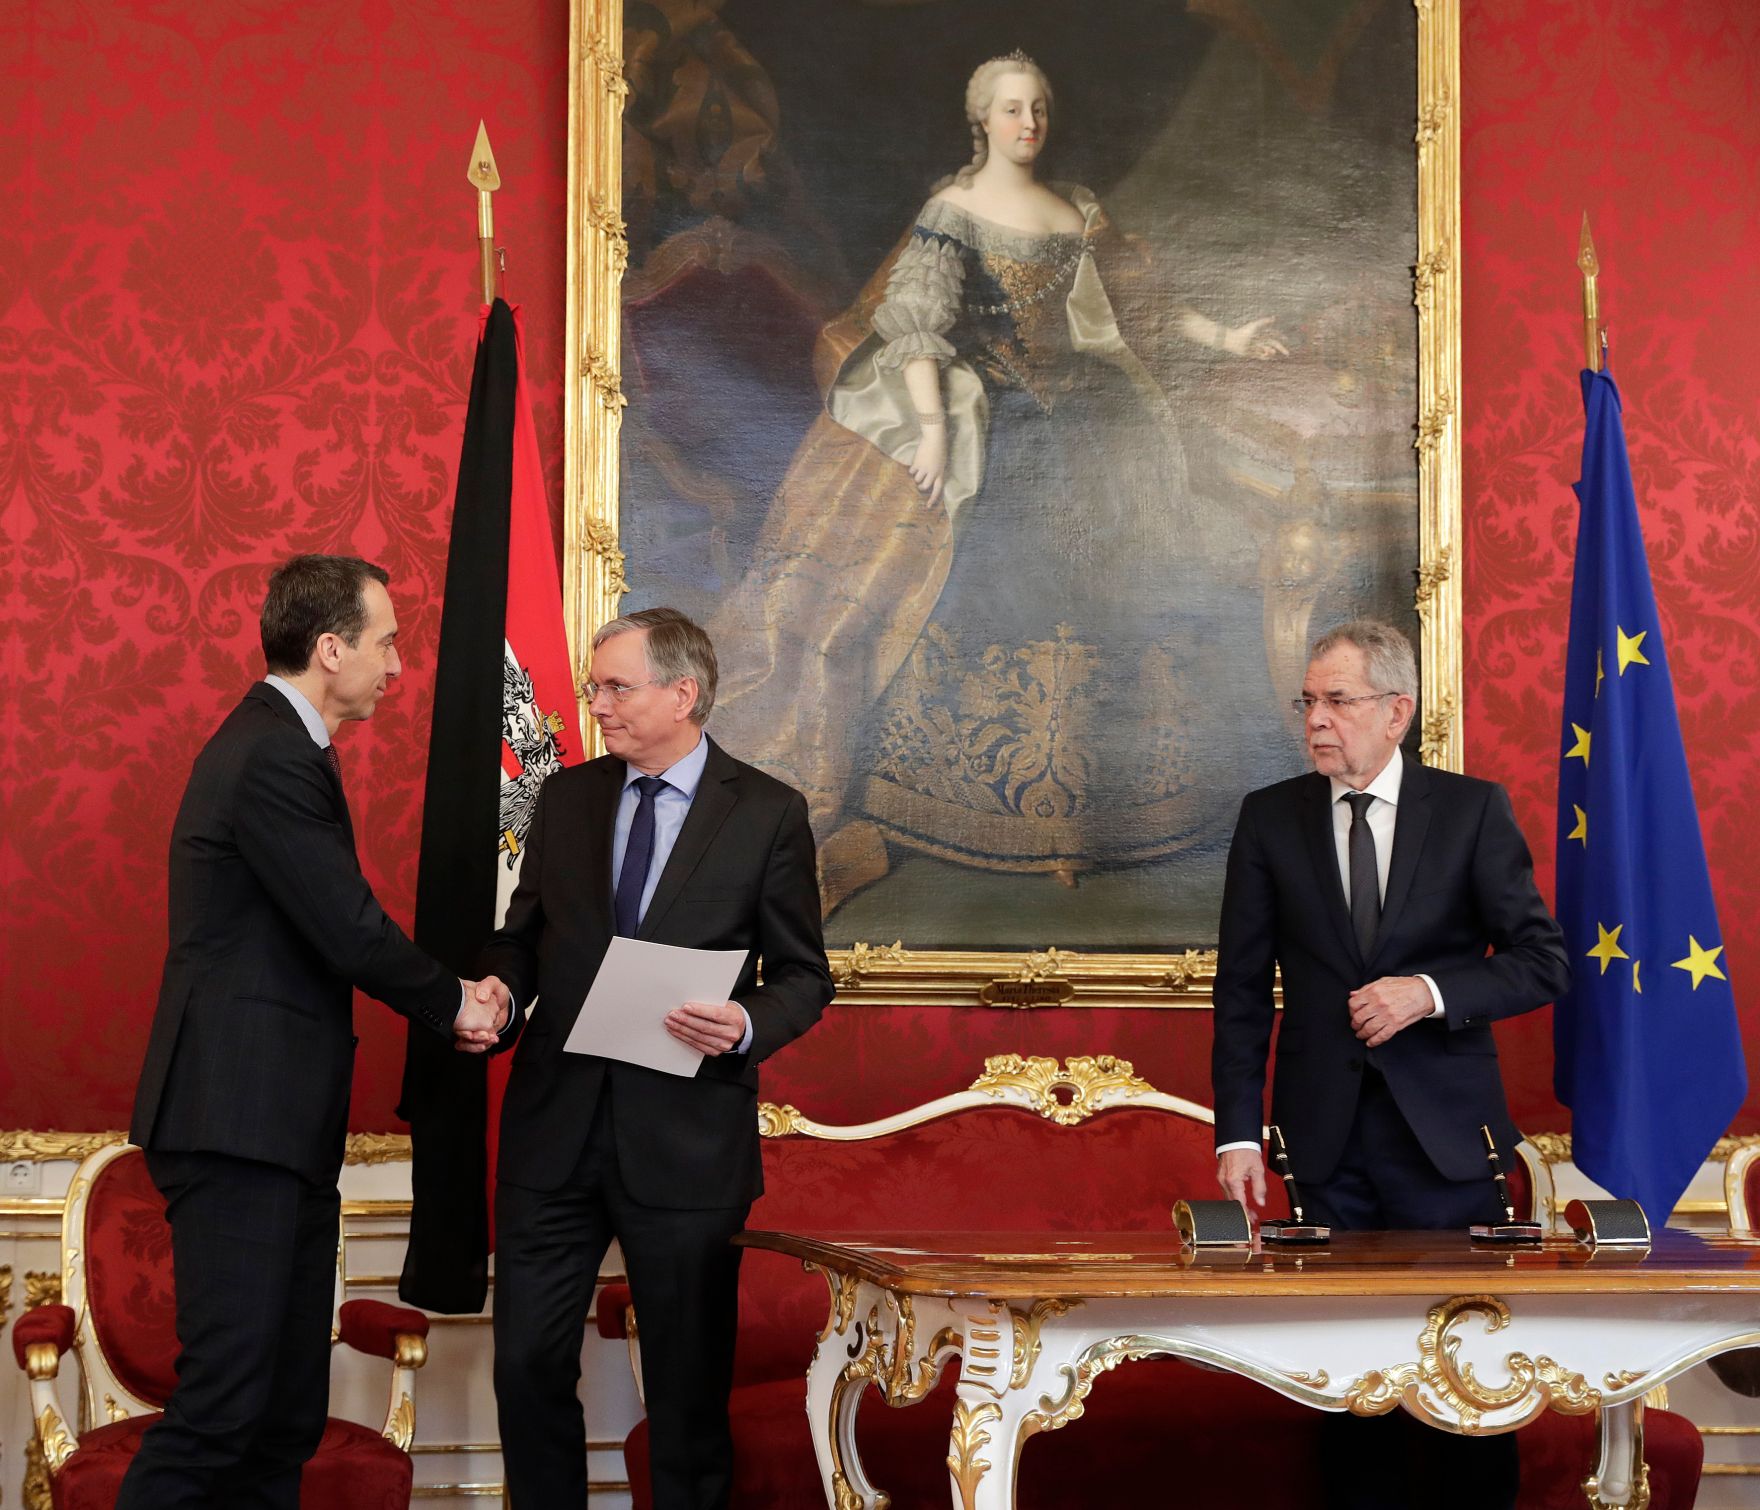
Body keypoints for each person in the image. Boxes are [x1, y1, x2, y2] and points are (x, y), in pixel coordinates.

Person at [708, 50, 1289, 911]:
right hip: (994, 421)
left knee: (1128, 577)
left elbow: (1141, 308)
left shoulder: (1077, 208)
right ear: (982, 119)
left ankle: (1113, 805)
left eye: (1040, 109)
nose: (1029, 124)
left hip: (1090, 415)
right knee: (984, 574)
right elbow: (913, 327)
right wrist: (935, 434)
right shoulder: (955, 209)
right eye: (1013, 110)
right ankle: (962, 799)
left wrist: (1232, 340)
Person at [121, 554, 510, 1510]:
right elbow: (345, 924)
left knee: (282, 1418)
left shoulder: (286, 748)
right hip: (237, 1124)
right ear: (329, 648)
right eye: (385, 642)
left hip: (275, 1128)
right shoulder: (268, 753)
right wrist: (454, 999)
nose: (397, 665)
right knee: (226, 1410)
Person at [1211, 618, 1571, 1509]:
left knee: (1468, 1383)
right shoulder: (1271, 818)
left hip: (1449, 1146)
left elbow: (1542, 962)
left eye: (1338, 700)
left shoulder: (1471, 812)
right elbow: (1243, 989)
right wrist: (1237, 1135)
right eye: (1309, 702)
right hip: (1324, 1147)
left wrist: (1429, 992)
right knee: (1353, 1389)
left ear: (1396, 711)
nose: (1316, 720)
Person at [480, 606, 834, 1510]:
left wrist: (746, 1023)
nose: (595, 704)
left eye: (615, 687)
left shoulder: (767, 813)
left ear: (684, 694)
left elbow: (803, 975)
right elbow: (522, 941)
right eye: (597, 686)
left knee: (685, 1394)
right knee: (524, 1368)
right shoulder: (567, 797)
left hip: (686, 1143)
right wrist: (501, 995)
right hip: (552, 1132)